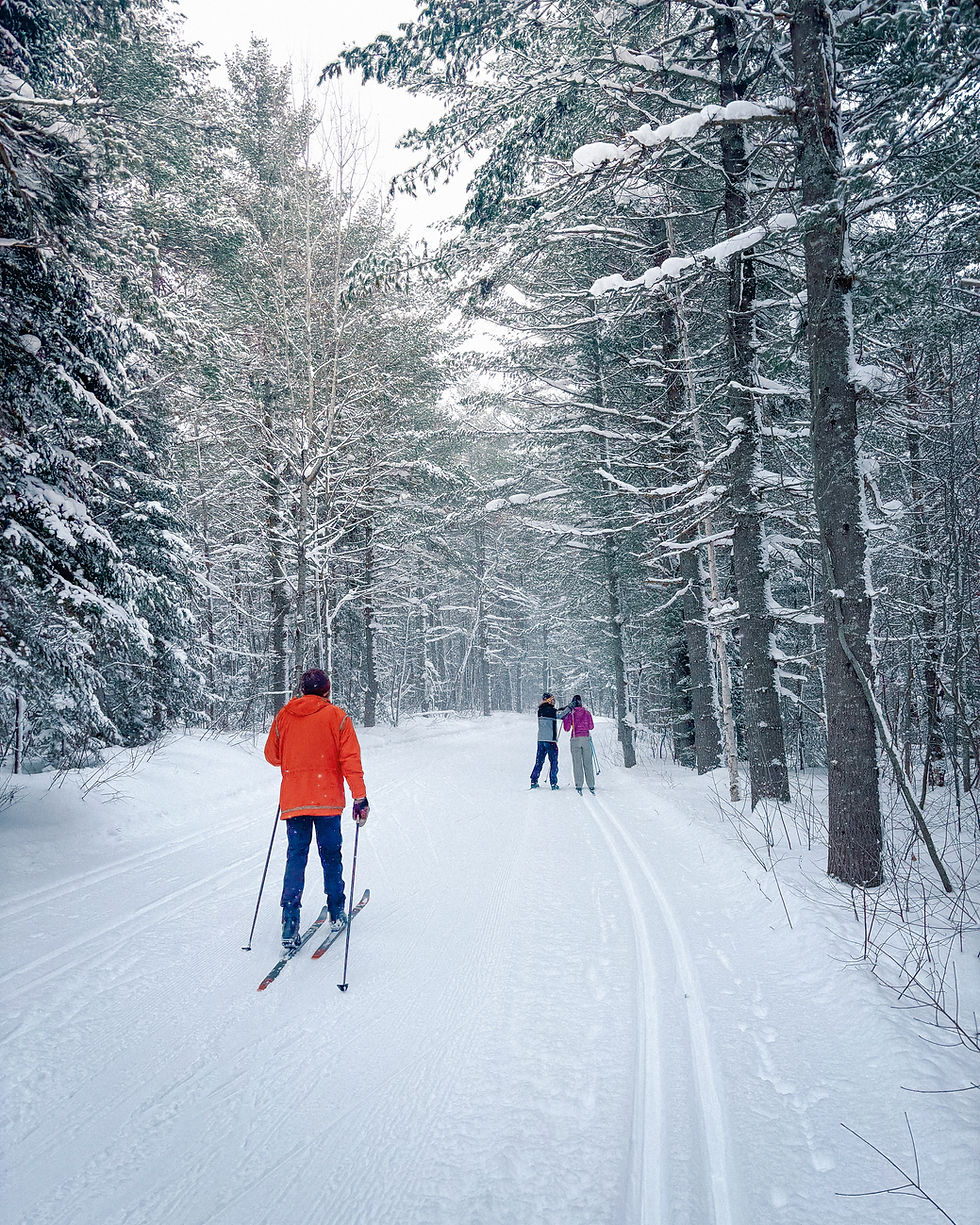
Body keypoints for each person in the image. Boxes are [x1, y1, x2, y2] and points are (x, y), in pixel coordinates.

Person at [264, 668, 369, 950]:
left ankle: (290, 921)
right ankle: (336, 912)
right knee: (331, 856)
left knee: (296, 858)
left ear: (302, 690)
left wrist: (297, 754)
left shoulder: (284, 716)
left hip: (295, 801)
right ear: (326, 690)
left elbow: (272, 756)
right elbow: (350, 761)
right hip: (327, 801)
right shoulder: (337, 717)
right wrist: (360, 798)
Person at [530, 691, 569, 790]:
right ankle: (553, 783)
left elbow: (556, 711)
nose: (553, 701)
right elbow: (561, 715)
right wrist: (570, 708)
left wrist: (564, 708)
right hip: (550, 741)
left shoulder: (540, 710)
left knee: (539, 761)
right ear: (548, 700)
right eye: (552, 700)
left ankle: (534, 780)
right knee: (553, 762)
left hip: (541, 740)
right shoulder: (551, 711)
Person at [563, 695, 596, 794]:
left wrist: (565, 717)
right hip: (586, 738)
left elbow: (567, 728)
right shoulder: (587, 713)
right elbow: (591, 727)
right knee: (588, 762)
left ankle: (579, 784)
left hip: (575, 739)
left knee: (577, 763)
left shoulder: (571, 714)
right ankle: (591, 784)